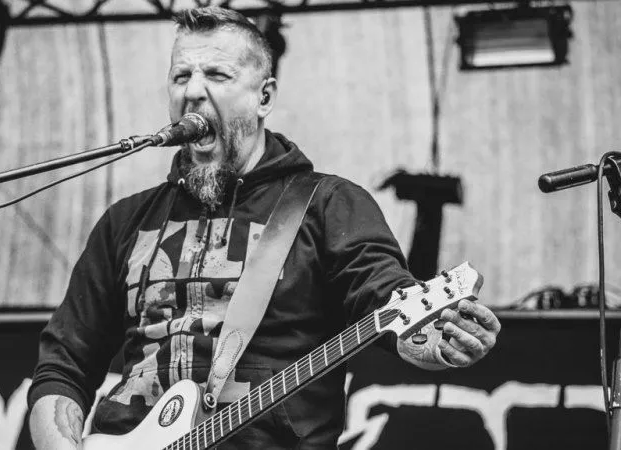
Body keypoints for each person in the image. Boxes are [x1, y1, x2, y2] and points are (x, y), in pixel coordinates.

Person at [27, 7, 501, 449]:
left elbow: (387, 300)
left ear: (264, 97)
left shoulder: (325, 205)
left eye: (217, 75)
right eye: (181, 76)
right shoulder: (126, 221)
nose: (193, 91)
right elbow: (64, 365)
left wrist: (436, 341)